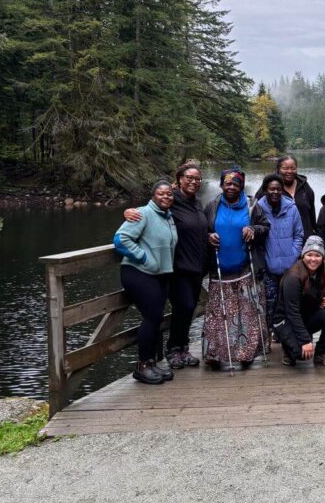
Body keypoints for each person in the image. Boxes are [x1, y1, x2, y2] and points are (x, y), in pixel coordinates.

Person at [123, 160, 208, 369]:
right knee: (183, 306)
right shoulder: (172, 199)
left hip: (196, 266)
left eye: (197, 179)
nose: (194, 182)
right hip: (178, 266)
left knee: (189, 309)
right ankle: (172, 350)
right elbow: (151, 208)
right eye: (189, 178)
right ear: (179, 180)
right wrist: (128, 212)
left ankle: (182, 347)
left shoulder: (196, 202)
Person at [204, 167, 269, 372]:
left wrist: (253, 229)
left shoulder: (252, 206)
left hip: (245, 268)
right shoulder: (212, 206)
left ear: (241, 186)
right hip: (219, 269)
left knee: (247, 314)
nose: (231, 187)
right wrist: (208, 236)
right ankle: (215, 354)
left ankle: (246, 354)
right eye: (227, 183)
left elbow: (265, 227)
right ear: (221, 185)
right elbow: (203, 228)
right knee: (218, 314)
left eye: (235, 184)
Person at [114, 180, 178, 384]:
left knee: (156, 318)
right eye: (161, 193)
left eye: (169, 194)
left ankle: (151, 362)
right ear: (153, 196)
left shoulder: (168, 217)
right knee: (152, 316)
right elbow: (120, 239)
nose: (166, 197)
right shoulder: (142, 214)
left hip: (159, 274)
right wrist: (144, 258)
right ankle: (142, 366)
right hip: (138, 272)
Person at [272, 236, 325, 367]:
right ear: (303, 256)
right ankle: (288, 349)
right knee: (302, 354)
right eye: (309, 255)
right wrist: (305, 341)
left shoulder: (321, 271)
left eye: (317, 255)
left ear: (322, 258)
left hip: (306, 316)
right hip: (286, 320)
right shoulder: (293, 277)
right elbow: (292, 312)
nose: (313, 259)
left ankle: (322, 353)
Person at [256, 173, 304, 333]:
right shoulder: (257, 209)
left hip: (289, 266)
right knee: (269, 303)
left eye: (278, 189)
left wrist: (294, 254)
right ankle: (269, 333)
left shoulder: (291, 208)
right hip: (267, 266)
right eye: (272, 189)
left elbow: (299, 234)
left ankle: (285, 333)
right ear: (265, 190)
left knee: (289, 301)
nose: (275, 192)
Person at [256, 155, 316, 239]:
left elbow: (312, 214)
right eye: (285, 168)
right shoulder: (269, 188)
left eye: (293, 168)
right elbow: (256, 211)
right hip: (278, 240)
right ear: (278, 169)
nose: (289, 171)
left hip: (305, 239)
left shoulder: (304, 186)